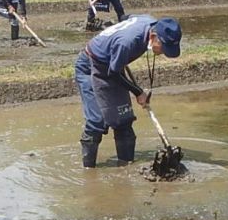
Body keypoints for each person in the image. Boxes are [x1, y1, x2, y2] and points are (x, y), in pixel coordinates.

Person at [74, 15, 182, 168]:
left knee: (124, 119)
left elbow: (127, 17)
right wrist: (138, 92)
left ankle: (126, 167)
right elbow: (113, 73)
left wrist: (115, 49)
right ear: (153, 36)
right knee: (97, 122)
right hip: (91, 66)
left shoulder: (148, 22)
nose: (164, 52)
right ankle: (88, 172)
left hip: (112, 66)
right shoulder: (127, 43)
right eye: (164, 48)